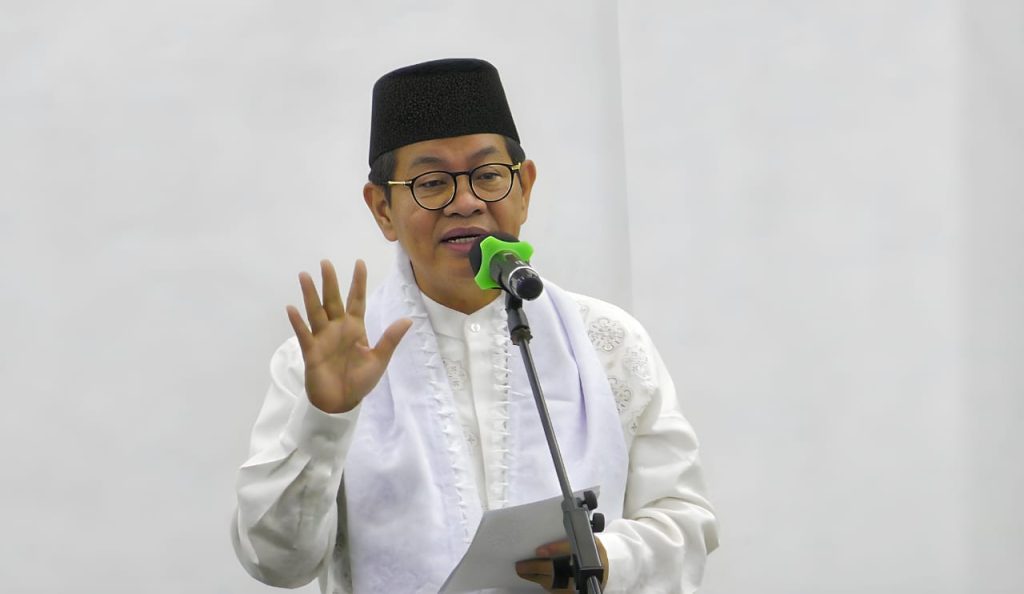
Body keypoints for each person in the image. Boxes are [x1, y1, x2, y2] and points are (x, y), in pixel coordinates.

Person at [232, 58, 718, 593]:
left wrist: (606, 559)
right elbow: (277, 563)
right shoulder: (325, 364)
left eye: (488, 176)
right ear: (382, 209)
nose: (465, 203)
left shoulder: (610, 343)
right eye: (431, 183)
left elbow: (684, 521)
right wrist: (326, 418)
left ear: (524, 188)